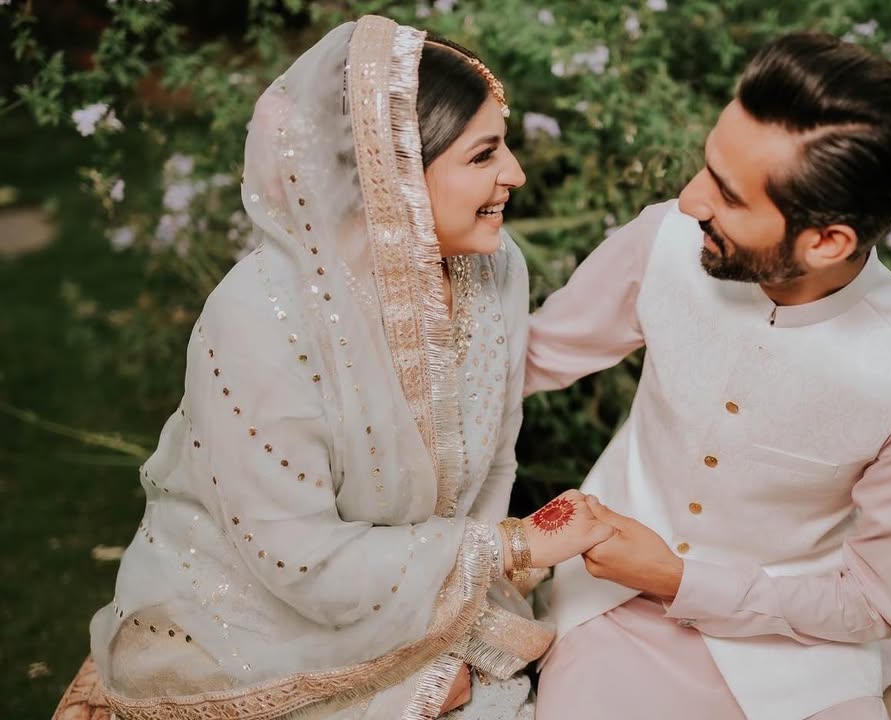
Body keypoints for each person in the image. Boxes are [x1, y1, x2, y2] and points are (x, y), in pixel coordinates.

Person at [56, 15, 611, 720]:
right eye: (483, 156)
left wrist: (473, 571)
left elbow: (494, 460)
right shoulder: (261, 317)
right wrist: (509, 547)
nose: (516, 175)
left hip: (421, 587)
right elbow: (297, 558)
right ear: (397, 174)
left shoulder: (496, 269)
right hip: (257, 604)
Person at [528, 32, 891, 720]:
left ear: (826, 240)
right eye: (704, 167)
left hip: (803, 655)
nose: (688, 201)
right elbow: (521, 365)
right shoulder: (665, 244)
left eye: (728, 196)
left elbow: (869, 600)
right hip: (610, 603)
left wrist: (681, 580)